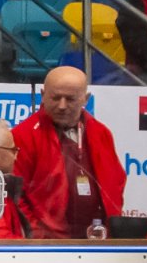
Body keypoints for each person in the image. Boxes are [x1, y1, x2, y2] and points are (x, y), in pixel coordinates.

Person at [11, 65, 125, 238]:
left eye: (70, 99)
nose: (62, 106)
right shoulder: (23, 136)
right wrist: (37, 234)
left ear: (85, 99)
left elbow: (116, 183)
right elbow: (16, 194)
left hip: (98, 239)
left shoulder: (101, 133)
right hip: (46, 243)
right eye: (55, 98)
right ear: (42, 95)